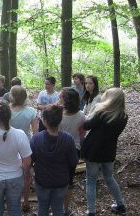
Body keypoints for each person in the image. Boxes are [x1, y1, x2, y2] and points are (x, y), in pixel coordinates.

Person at [81, 88, 128, 216]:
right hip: (109, 151)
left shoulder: (102, 113)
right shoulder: (123, 116)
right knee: (109, 177)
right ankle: (120, 204)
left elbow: (86, 126)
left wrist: (88, 115)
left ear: (110, 98)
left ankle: (91, 211)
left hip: (94, 151)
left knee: (91, 180)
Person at [30, 105, 79, 216]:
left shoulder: (36, 139)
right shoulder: (68, 139)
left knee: (42, 208)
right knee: (58, 208)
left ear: (44, 121)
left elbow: (30, 160)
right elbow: (74, 162)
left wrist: (32, 171)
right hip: (61, 182)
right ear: (60, 120)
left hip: (42, 181)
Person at [9, 85, 38, 212]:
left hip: (10, 144)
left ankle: (13, 201)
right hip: (26, 144)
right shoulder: (31, 111)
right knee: (27, 174)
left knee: (12, 172)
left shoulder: (7, 110)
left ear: (11, 96)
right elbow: (36, 132)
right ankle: (25, 202)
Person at [58, 88, 85, 216]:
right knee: (69, 180)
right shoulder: (81, 114)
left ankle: (57, 207)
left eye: (60, 97)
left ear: (65, 100)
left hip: (60, 149)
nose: (59, 99)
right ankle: (66, 209)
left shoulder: (59, 114)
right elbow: (82, 133)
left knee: (57, 178)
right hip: (75, 149)